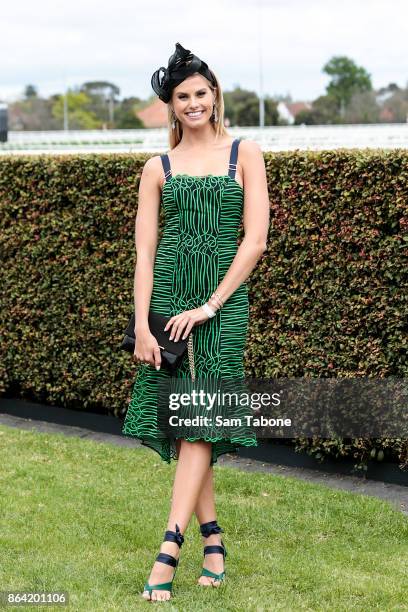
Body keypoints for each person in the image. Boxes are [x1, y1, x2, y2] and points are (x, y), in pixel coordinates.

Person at [122, 42, 270, 602]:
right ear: (171, 105)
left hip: (220, 307)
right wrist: (142, 325)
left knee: (200, 419)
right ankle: (213, 540)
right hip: (165, 303)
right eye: (182, 96)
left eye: (200, 93)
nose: (192, 103)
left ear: (215, 95)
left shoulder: (245, 153)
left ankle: (170, 547)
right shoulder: (156, 167)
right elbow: (144, 253)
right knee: (189, 425)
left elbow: (254, 242)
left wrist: (209, 306)